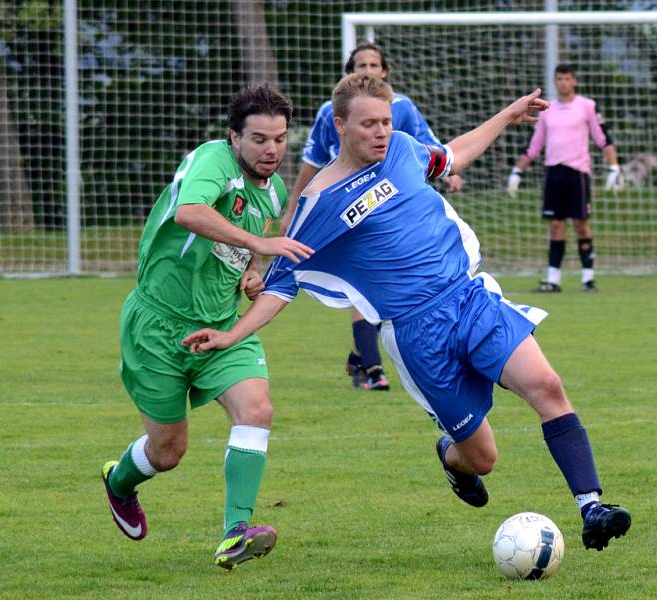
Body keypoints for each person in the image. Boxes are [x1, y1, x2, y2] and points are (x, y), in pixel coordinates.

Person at [182, 74, 632, 552]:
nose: (381, 131)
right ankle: (450, 454)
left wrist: (506, 116)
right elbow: (282, 286)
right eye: (368, 124)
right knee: (482, 459)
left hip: (470, 298)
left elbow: (452, 154)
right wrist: (233, 334)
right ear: (340, 126)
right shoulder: (319, 206)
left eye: (386, 121)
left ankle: (591, 507)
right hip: (418, 337)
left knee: (547, 385)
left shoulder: (403, 149)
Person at [100, 83, 313, 570]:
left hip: (220, 328)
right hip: (157, 327)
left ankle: (235, 532)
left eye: (279, 139)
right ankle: (118, 482)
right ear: (233, 137)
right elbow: (191, 213)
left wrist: (251, 274)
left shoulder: (274, 190)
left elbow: (235, 252)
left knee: (256, 410)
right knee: (169, 450)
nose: (271, 150)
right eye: (259, 139)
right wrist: (261, 247)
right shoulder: (211, 161)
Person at [278, 42, 464, 392]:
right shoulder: (327, 114)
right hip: (346, 213)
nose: (366, 70)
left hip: (391, 208)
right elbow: (313, 163)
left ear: (384, 72)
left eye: (373, 64)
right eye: (359, 64)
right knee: (360, 289)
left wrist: (449, 171)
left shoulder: (403, 109)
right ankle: (374, 368)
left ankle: (359, 356)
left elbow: (429, 146)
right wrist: (292, 209)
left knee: (381, 294)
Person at [506, 63, 621, 293]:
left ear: (574, 81)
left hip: (577, 172)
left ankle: (588, 278)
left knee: (581, 224)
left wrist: (614, 167)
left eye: (567, 79)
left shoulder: (587, 106)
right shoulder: (548, 109)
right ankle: (553, 279)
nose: (563, 83)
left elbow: (602, 138)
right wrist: (517, 171)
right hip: (553, 173)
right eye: (559, 79)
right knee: (556, 225)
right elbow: (535, 145)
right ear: (555, 81)